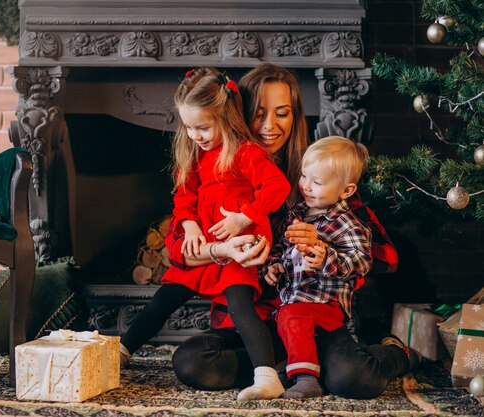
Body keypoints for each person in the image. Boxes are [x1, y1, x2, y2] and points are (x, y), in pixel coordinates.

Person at [170, 63, 413, 400]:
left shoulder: (318, 178)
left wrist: (323, 247)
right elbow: (177, 250)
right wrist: (219, 251)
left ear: (295, 117)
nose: (270, 126)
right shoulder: (217, 175)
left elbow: (385, 257)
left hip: (311, 318)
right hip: (253, 326)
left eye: (282, 113)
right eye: (259, 114)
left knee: (357, 379)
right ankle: (287, 369)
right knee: (192, 362)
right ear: (236, 115)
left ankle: (387, 355)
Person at [119, 67, 292, 400]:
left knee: (242, 310)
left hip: (238, 249)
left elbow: (277, 186)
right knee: (162, 301)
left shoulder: (246, 153)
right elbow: (184, 196)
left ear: (226, 119)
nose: (194, 134)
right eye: (188, 126)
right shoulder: (196, 154)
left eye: (202, 127)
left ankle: (267, 375)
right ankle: (122, 351)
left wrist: (244, 217)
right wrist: (189, 224)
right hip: (208, 244)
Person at [265, 136, 372, 398]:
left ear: (346, 190)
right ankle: (292, 366)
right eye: (304, 176)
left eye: (318, 182)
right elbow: (282, 247)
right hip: (293, 301)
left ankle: (306, 379)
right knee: (288, 317)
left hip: (327, 305)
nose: (306, 186)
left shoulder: (348, 224)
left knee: (292, 316)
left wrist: (326, 257)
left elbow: (361, 262)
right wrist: (274, 265)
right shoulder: (296, 213)